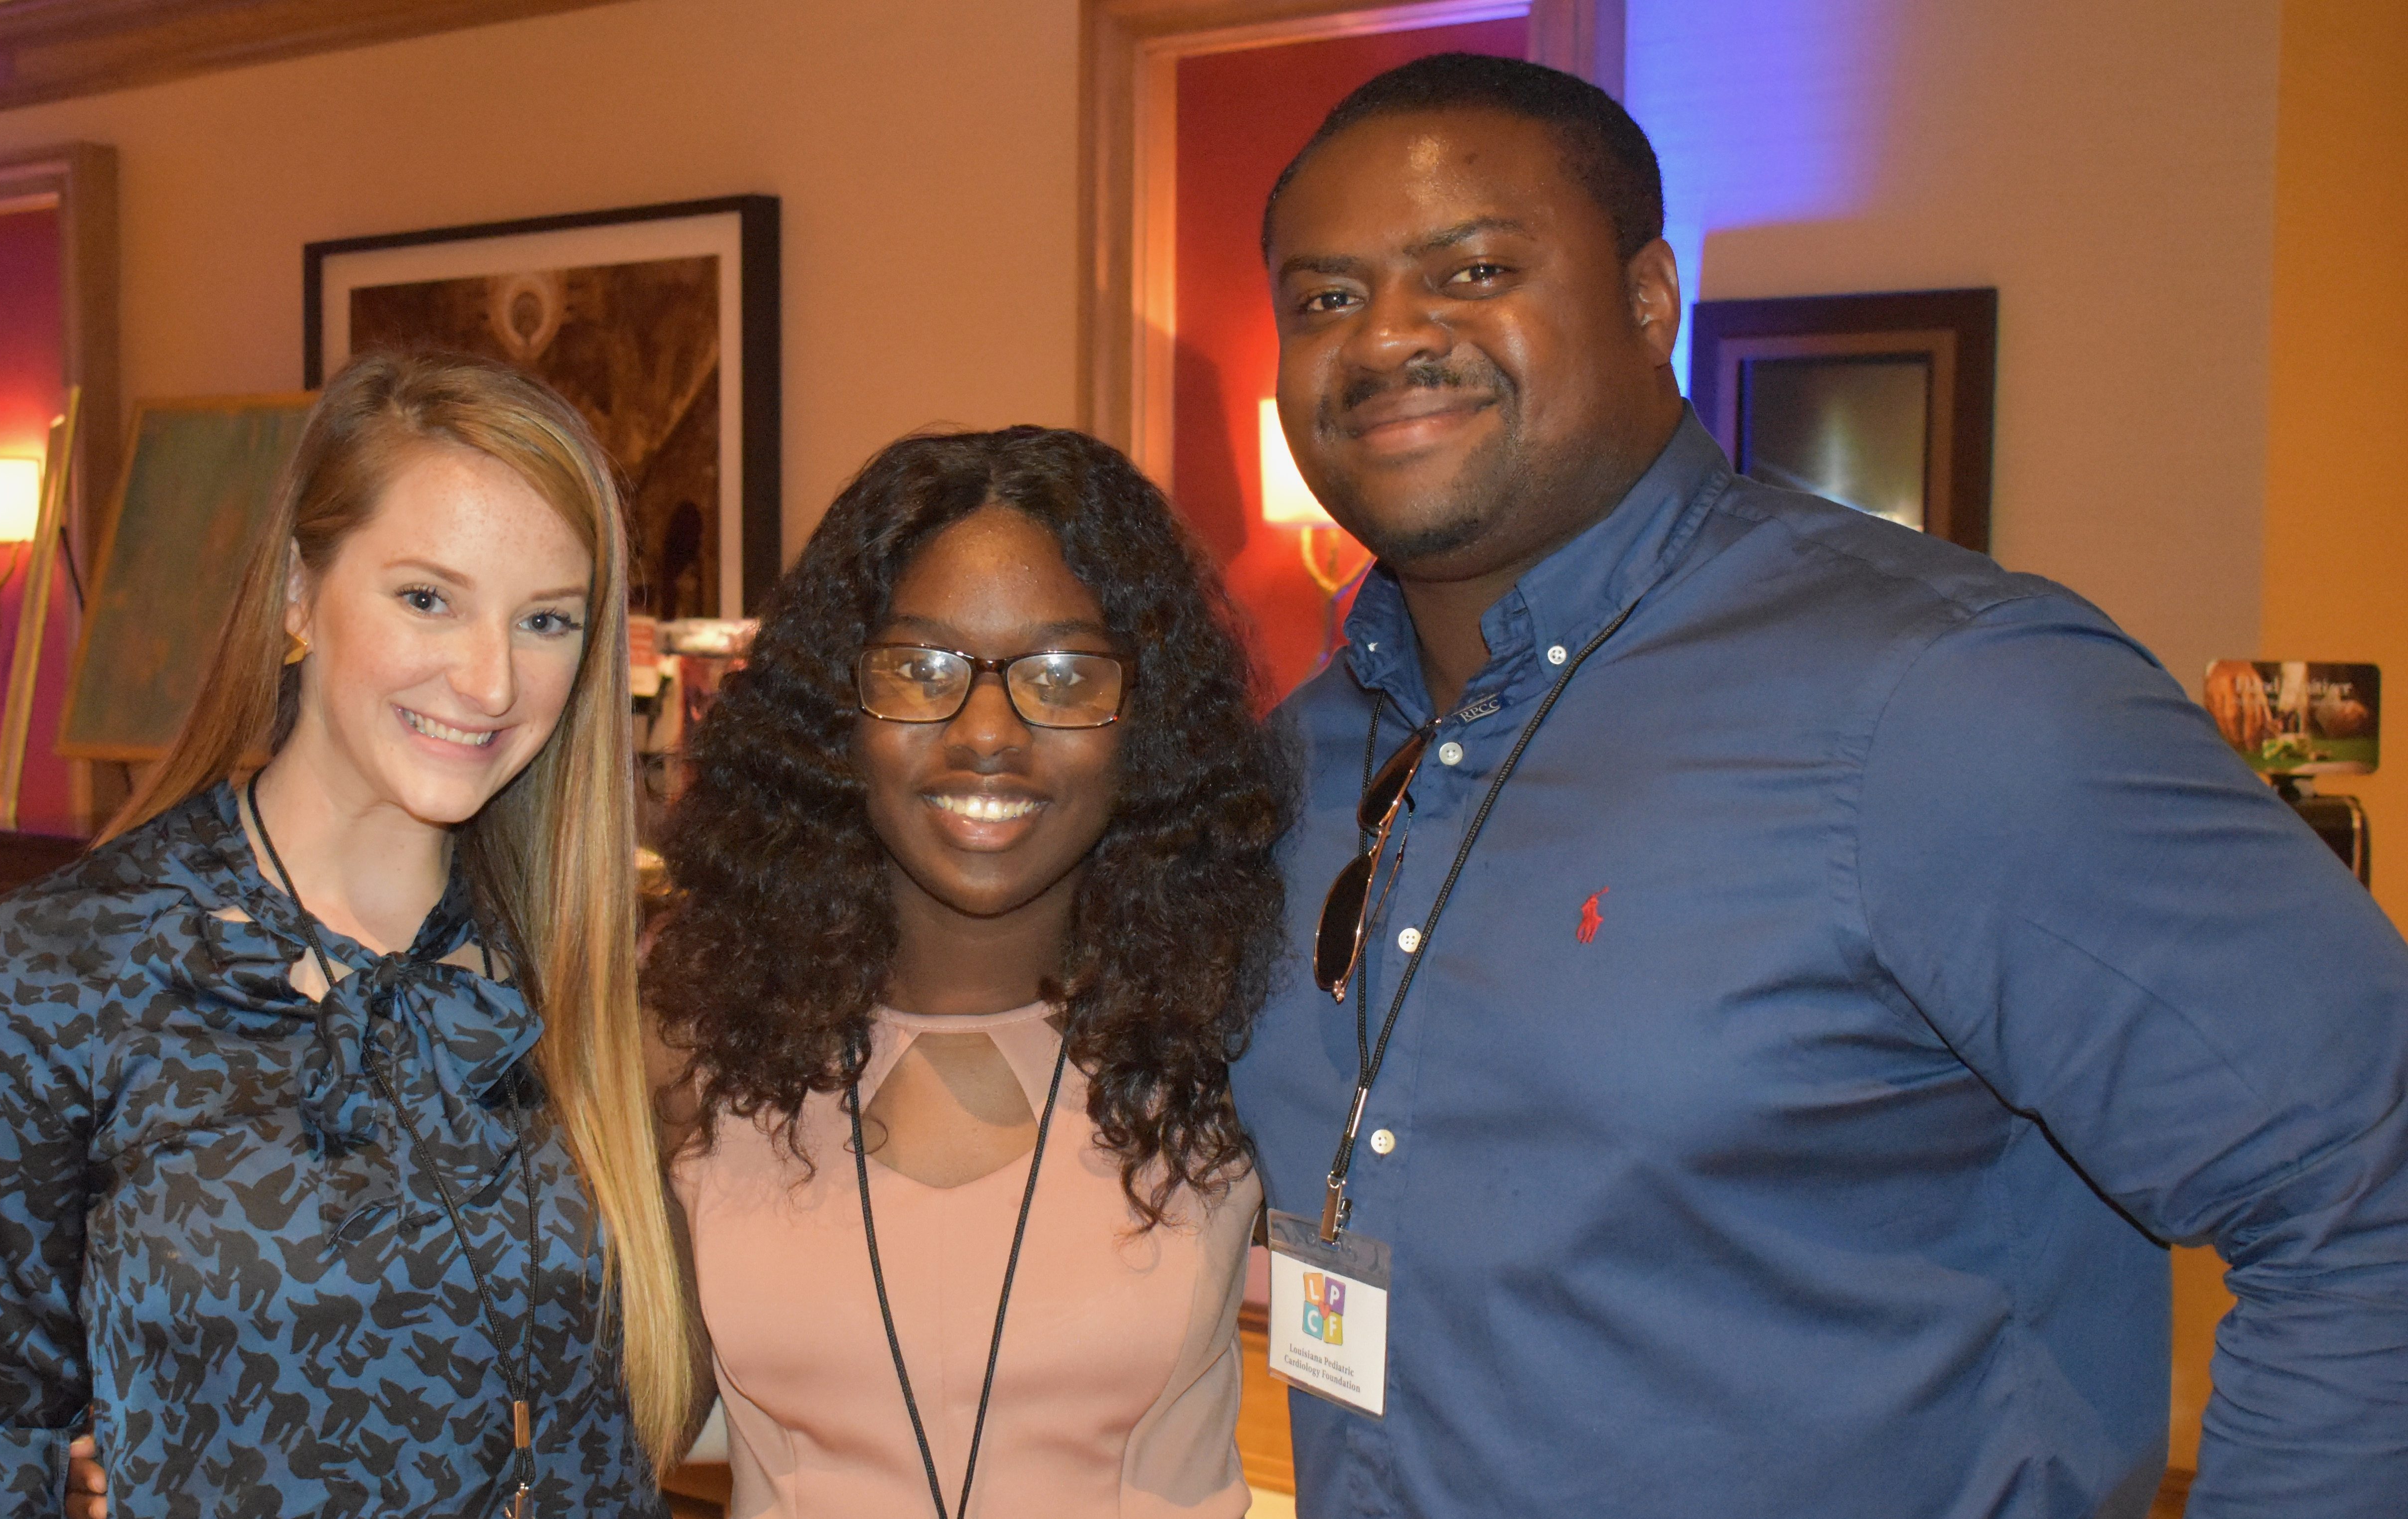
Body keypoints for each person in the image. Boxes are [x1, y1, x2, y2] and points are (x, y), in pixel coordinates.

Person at [1234, 51, 2408, 1517]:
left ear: (1650, 299)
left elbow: (2367, 1187)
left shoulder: (1948, 700)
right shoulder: (1291, 768)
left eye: (1473, 271)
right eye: (1324, 298)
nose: (1387, 336)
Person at [0, 349, 693, 1517]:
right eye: (428, 598)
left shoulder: (588, 964)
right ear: (296, 596)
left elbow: (656, 1396)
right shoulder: (52, 976)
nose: (490, 682)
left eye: (546, 620)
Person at [644, 426, 1294, 1519]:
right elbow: (614, 1425)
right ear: (835, 712)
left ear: (1146, 723)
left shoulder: (1235, 1035)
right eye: (920, 669)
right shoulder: (691, 1044)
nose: (987, 732)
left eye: (1062, 675)